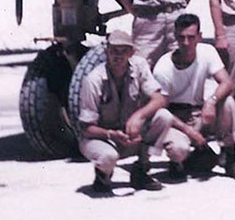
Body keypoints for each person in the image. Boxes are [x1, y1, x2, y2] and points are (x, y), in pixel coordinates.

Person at [77, 30, 184, 192]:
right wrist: (111, 134)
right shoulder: (93, 80)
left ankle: (141, 169)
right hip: (103, 138)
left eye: (124, 51)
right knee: (108, 157)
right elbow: (86, 128)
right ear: (106, 52)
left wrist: (138, 116)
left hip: (131, 134)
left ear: (132, 53)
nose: (118, 57)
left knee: (164, 116)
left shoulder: (139, 66)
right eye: (113, 51)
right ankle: (102, 176)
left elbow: (160, 99)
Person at [152, 13, 235, 181]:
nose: (186, 43)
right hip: (176, 118)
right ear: (175, 37)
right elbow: (161, 109)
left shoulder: (207, 51)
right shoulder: (163, 67)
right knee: (178, 150)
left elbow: (227, 82)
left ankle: (230, 156)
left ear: (199, 37)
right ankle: (181, 161)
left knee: (227, 103)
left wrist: (211, 102)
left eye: (191, 37)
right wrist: (190, 131)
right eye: (181, 37)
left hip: (200, 112)